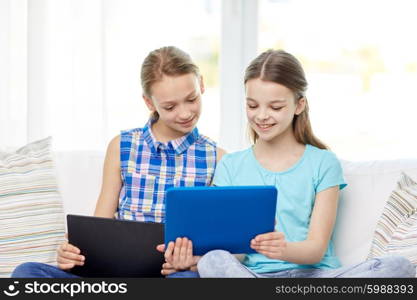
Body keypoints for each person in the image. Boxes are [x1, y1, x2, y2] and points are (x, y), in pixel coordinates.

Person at [163, 49, 416, 278]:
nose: (261, 116)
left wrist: (282, 249)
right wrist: (194, 260)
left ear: (299, 105)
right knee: (214, 259)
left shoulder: (323, 162)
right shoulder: (230, 165)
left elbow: (316, 250)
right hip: (253, 277)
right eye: (252, 105)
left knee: (398, 266)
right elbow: (234, 253)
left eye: (275, 106)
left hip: (316, 276)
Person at [12, 46, 225, 278]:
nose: (184, 113)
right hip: (116, 273)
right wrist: (73, 254)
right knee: (26, 273)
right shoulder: (122, 146)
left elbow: (218, 244)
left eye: (191, 99)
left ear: (201, 85)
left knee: (190, 280)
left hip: (173, 275)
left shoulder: (217, 157)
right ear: (149, 102)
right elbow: (100, 226)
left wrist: (192, 263)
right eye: (170, 107)